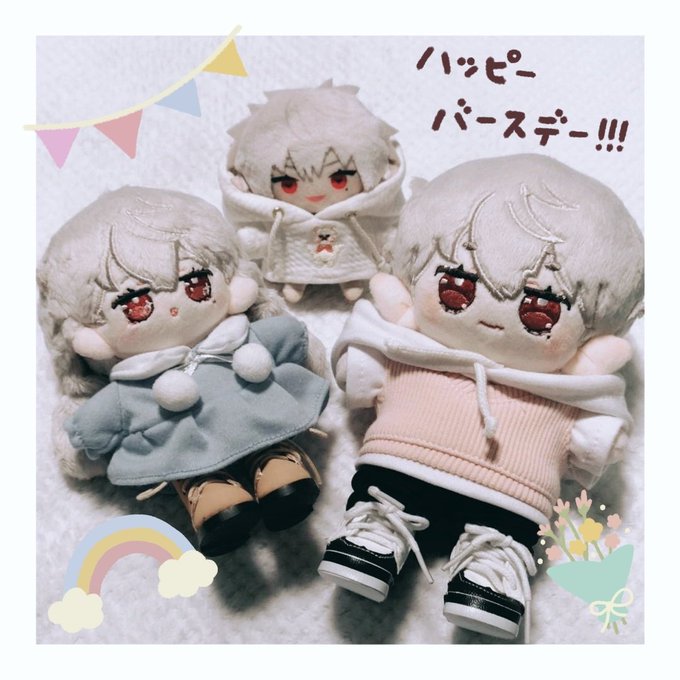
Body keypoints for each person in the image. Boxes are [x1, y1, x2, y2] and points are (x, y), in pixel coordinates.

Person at [317, 154, 644, 641]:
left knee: (508, 530)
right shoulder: (411, 347)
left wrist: (600, 432)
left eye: (541, 311)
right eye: (457, 289)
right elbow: (361, 366)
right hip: (400, 463)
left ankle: (490, 575)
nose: (491, 317)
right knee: (385, 493)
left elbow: (596, 437)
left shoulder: (570, 388)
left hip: (515, 492)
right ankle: (375, 538)